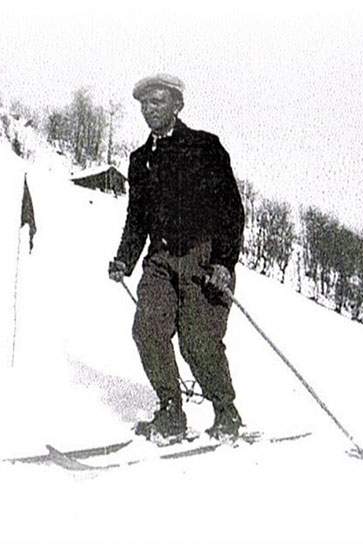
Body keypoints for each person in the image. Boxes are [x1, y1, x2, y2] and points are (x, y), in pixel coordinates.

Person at [108, 73, 245, 442]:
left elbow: (231, 209)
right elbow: (137, 217)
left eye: (158, 102)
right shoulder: (140, 160)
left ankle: (225, 411)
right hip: (160, 260)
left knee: (198, 343)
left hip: (201, 257)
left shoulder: (205, 147)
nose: (149, 109)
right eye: (144, 104)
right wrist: (125, 258)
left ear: (177, 105)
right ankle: (170, 412)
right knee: (147, 329)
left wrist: (224, 262)